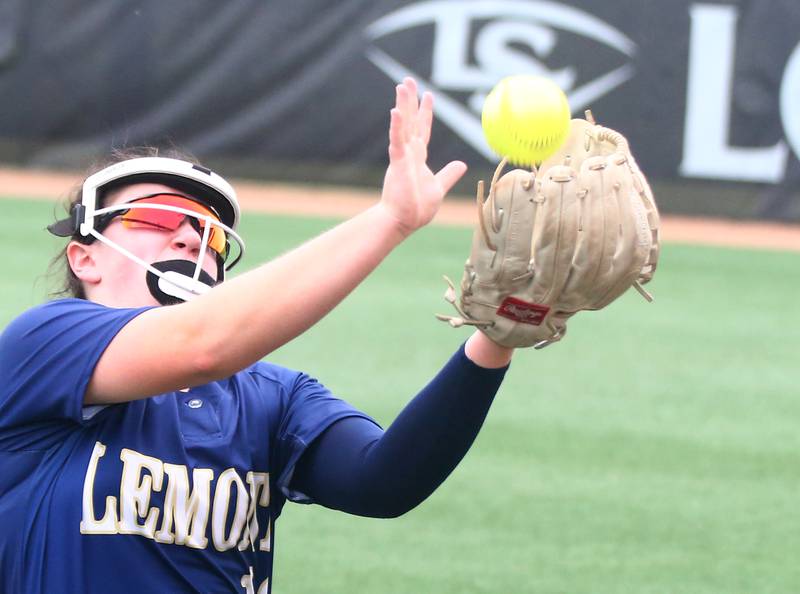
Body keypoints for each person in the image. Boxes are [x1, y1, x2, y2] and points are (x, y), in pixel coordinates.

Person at [0, 78, 514, 594]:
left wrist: (495, 338)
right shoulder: (43, 344)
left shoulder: (273, 396)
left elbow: (383, 482)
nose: (192, 236)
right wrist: (392, 221)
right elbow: (201, 345)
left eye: (212, 234)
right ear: (84, 257)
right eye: (157, 217)